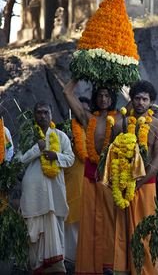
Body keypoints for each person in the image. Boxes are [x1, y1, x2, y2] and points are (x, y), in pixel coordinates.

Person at [64, 79, 122, 275]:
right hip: (90, 174)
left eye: (107, 95)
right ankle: (90, 267)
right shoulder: (89, 119)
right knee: (89, 220)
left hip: (110, 176)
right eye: (100, 95)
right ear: (95, 98)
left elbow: (137, 102)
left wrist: (121, 79)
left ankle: (110, 265)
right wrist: (78, 76)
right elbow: (67, 94)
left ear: (112, 98)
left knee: (110, 221)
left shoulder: (120, 119)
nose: (104, 99)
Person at [114, 80, 158, 275]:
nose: (140, 103)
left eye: (145, 99)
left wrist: (139, 182)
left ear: (151, 102)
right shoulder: (122, 125)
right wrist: (124, 182)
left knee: (145, 234)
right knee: (123, 233)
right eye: (137, 98)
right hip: (123, 187)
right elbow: (113, 155)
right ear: (131, 100)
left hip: (146, 187)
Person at [19, 102, 75, 274]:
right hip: (33, 192)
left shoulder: (60, 136)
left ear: (51, 115)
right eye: (39, 112)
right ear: (34, 115)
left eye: (46, 112)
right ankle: (36, 266)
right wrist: (37, 149)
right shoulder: (28, 136)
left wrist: (56, 155)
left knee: (54, 225)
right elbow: (18, 160)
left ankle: (55, 268)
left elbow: (70, 159)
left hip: (53, 191)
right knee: (33, 230)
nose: (42, 116)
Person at [64, 96, 91, 265]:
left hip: (90, 183)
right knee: (70, 224)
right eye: (78, 109)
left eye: (84, 110)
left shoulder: (97, 129)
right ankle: (70, 260)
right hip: (71, 183)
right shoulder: (66, 132)